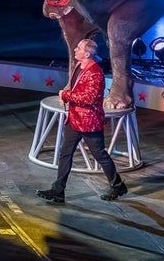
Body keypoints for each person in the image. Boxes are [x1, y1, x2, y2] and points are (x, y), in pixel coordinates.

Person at [36, 39, 127, 204]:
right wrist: (67, 93)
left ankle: (118, 185)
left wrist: (65, 95)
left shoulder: (95, 73)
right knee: (65, 153)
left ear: (86, 54)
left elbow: (89, 98)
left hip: (89, 122)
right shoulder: (79, 66)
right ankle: (58, 190)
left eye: (78, 48)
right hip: (74, 119)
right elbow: (75, 88)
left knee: (99, 154)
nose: (75, 50)